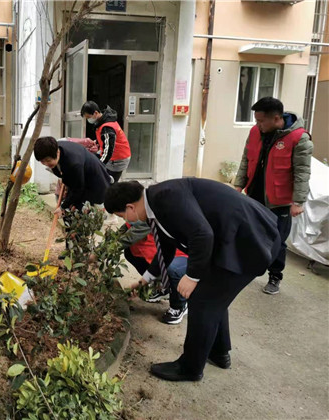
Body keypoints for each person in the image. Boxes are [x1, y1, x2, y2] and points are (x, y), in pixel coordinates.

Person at [104, 179, 280, 381]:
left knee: (203, 301)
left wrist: (192, 276)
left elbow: (202, 235)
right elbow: (166, 246)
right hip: (235, 240)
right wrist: (146, 279)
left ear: (130, 207)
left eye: (121, 216)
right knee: (215, 298)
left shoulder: (166, 198)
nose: (124, 220)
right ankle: (218, 353)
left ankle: (190, 368)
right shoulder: (154, 204)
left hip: (251, 240)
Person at [234, 97, 313, 295]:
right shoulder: (255, 132)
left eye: (261, 121)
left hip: (280, 201)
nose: (257, 125)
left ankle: (275, 276)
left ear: (276, 118)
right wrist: (239, 185)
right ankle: (247, 268)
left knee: (277, 240)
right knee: (250, 233)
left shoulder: (298, 138)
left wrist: (298, 202)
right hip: (255, 194)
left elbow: (302, 171)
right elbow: (247, 159)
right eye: (256, 120)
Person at [119, 222, 188, 324]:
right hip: (161, 252)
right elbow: (119, 234)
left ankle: (179, 306)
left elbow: (125, 240)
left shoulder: (145, 220)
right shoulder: (134, 218)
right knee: (130, 252)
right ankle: (162, 287)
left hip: (183, 255)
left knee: (171, 269)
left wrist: (96, 255)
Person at [34, 136, 111, 218]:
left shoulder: (73, 164)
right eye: (42, 161)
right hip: (81, 179)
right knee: (70, 210)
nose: (46, 164)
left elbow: (78, 189)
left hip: (95, 184)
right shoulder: (54, 147)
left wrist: (63, 207)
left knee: (82, 215)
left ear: (57, 152)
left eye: (48, 161)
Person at [81, 101, 131, 182]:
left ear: (96, 113)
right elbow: (104, 138)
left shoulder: (107, 127)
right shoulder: (104, 120)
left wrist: (99, 165)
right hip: (115, 156)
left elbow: (108, 151)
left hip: (117, 159)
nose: (88, 120)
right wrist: (96, 142)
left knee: (109, 184)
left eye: (88, 117)